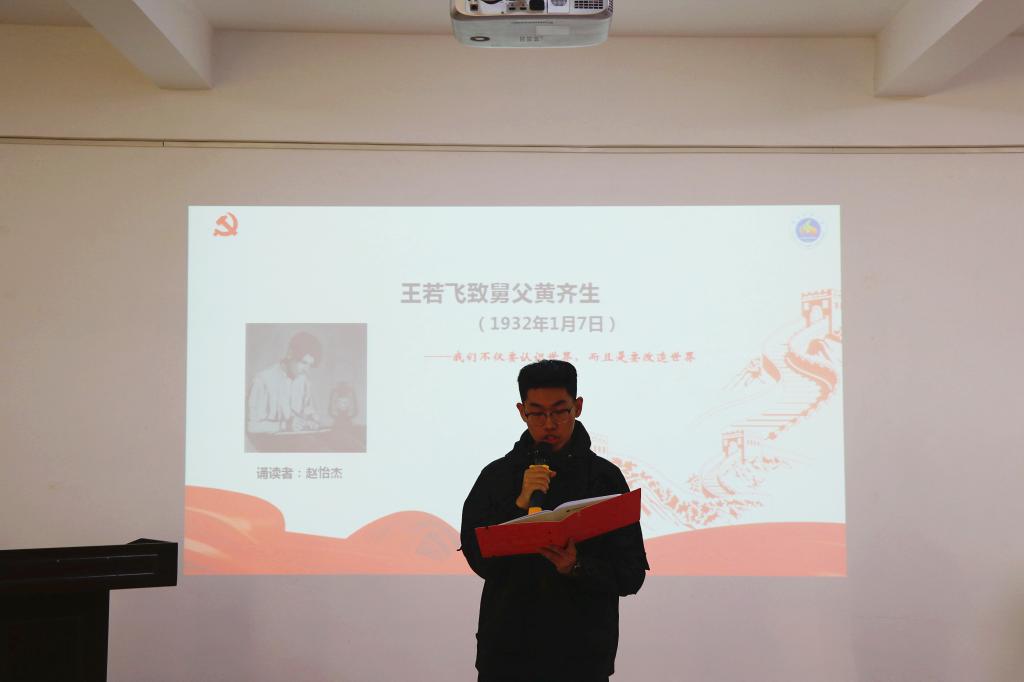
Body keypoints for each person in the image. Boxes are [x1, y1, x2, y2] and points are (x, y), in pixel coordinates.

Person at [460, 360, 649, 682]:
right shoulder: (496, 477)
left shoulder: (604, 478)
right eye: (537, 413)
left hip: (582, 657)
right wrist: (519, 505)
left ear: (578, 407)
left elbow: (630, 575)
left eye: (560, 411)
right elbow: (479, 559)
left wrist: (577, 567)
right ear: (522, 412)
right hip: (507, 655)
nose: (549, 423)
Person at [246, 331, 323, 436]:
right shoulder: (262, 380)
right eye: (304, 363)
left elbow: (309, 411)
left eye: (310, 365)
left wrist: (312, 420)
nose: (306, 370)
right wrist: (284, 426)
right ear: (290, 354)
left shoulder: (304, 381)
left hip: (298, 442)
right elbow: (251, 426)